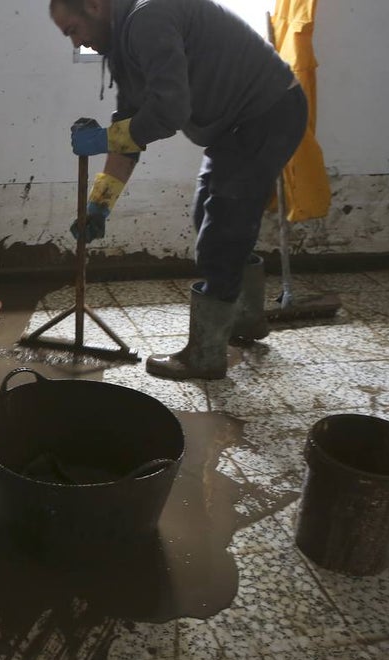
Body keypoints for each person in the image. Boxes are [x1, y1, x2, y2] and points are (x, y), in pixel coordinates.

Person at [49, 0, 308, 380]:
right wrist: (99, 206)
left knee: (222, 231)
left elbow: (168, 112)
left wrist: (103, 138)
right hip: (239, 125)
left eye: (73, 29)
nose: (76, 43)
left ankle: (205, 356)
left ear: (94, 6)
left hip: (267, 113)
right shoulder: (123, 46)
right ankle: (245, 318)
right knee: (210, 215)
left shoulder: (147, 19)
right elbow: (130, 132)